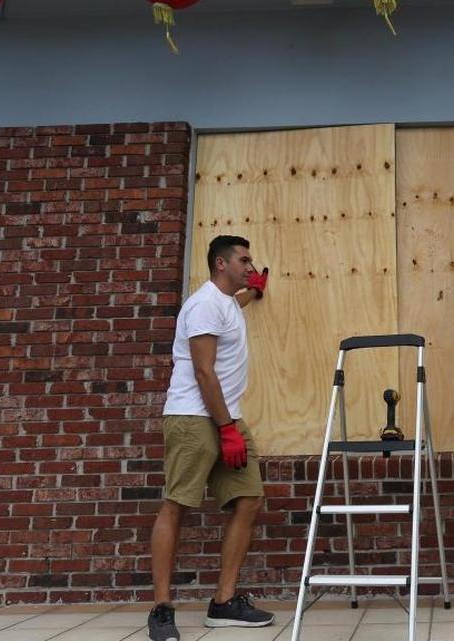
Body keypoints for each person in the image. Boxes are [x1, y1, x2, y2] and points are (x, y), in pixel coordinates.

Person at [147, 235, 273, 641]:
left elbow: (231, 308)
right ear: (221, 264)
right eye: (244, 261)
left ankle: (223, 602)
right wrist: (226, 430)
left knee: (249, 498)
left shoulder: (224, 303)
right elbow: (204, 372)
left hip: (225, 417)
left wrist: (253, 293)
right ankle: (162, 609)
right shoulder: (203, 303)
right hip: (194, 419)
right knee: (177, 505)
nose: (251, 266)